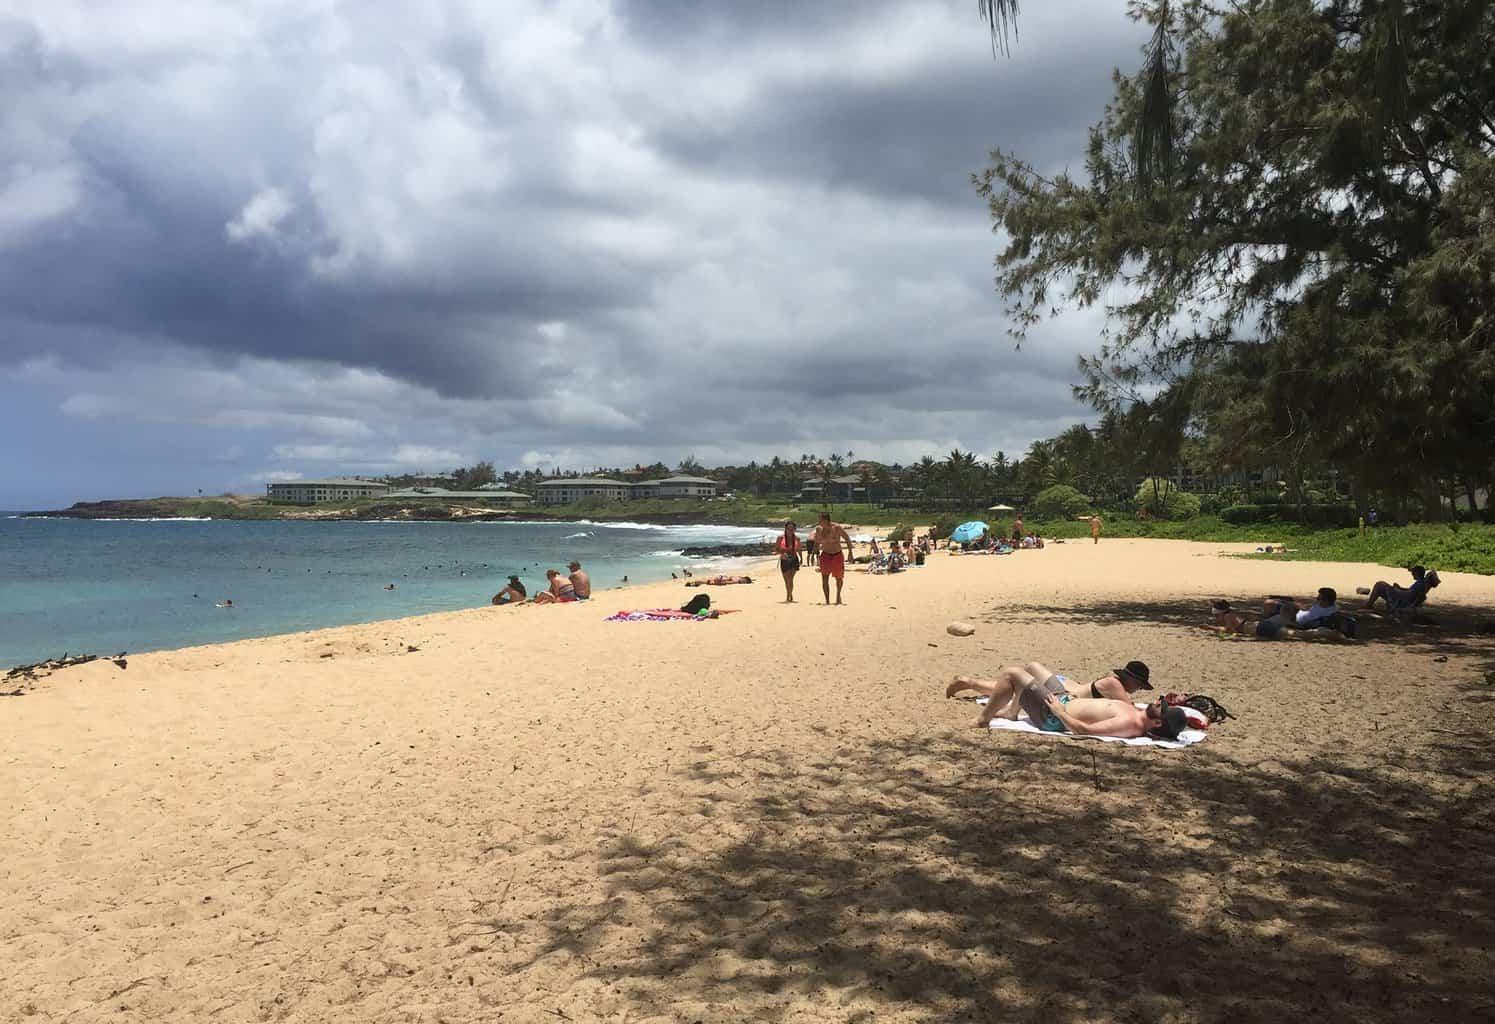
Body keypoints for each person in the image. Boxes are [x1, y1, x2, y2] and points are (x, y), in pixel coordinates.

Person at [949, 660, 1153, 720]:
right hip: (1062, 691)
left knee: (1028, 670)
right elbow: (1130, 710)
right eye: (1139, 685)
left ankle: (971, 682)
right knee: (1017, 681)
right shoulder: (1115, 685)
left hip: (1062, 684)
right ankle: (1011, 711)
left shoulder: (1112, 682)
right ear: (1131, 680)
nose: (1138, 690)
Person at [810, 511, 854, 605]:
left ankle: (838, 596)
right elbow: (817, 542)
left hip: (837, 554)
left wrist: (850, 552)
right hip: (825, 554)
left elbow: (847, 538)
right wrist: (813, 554)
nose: (819, 521)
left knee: (839, 577)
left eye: (820, 519)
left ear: (826, 520)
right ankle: (827, 600)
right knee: (824, 578)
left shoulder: (836, 528)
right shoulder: (819, 529)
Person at [1363, 565, 1440, 613]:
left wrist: (1397, 590)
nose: (1412, 575)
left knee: (1379, 584)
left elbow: (1409, 594)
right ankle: (1369, 604)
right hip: (1404, 599)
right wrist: (1399, 588)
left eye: (1413, 573)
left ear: (1417, 574)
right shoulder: (1421, 583)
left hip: (1402, 601)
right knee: (1381, 585)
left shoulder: (1420, 584)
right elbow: (1411, 592)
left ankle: (1369, 605)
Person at [775, 520, 802, 603]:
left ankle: (789, 595)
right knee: (786, 580)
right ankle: (789, 594)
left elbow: (799, 549)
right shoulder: (780, 538)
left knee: (791, 579)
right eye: (789, 529)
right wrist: (782, 554)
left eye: (792, 529)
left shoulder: (797, 538)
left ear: (794, 529)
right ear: (785, 529)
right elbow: (776, 549)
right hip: (784, 560)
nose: (790, 530)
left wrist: (801, 558)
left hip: (794, 559)